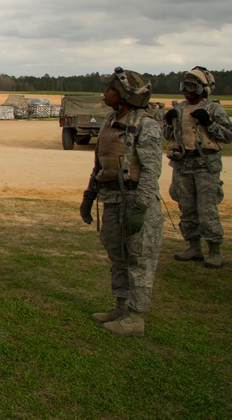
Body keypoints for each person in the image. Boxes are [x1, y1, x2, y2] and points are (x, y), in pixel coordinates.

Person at [79, 67, 163, 337]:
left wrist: (141, 207)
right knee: (118, 255)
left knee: (139, 258)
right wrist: (89, 195)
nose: (105, 93)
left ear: (126, 94)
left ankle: (136, 317)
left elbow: (151, 169)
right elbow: (99, 163)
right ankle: (121, 306)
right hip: (112, 198)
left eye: (110, 89)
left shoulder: (145, 124)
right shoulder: (110, 120)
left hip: (136, 200)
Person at [162, 66, 232, 268]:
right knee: (187, 207)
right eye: (184, 85)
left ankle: (214, 250)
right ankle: (194, 247)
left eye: (192, 85)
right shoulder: (180, 109)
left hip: (206, 166)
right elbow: (168, 136)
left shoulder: (213, 109)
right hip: (183, 164)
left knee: (207, 209)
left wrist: (209, 123)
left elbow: (228, 135)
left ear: (203, 88)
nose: (186, 89)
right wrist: (168, 122)